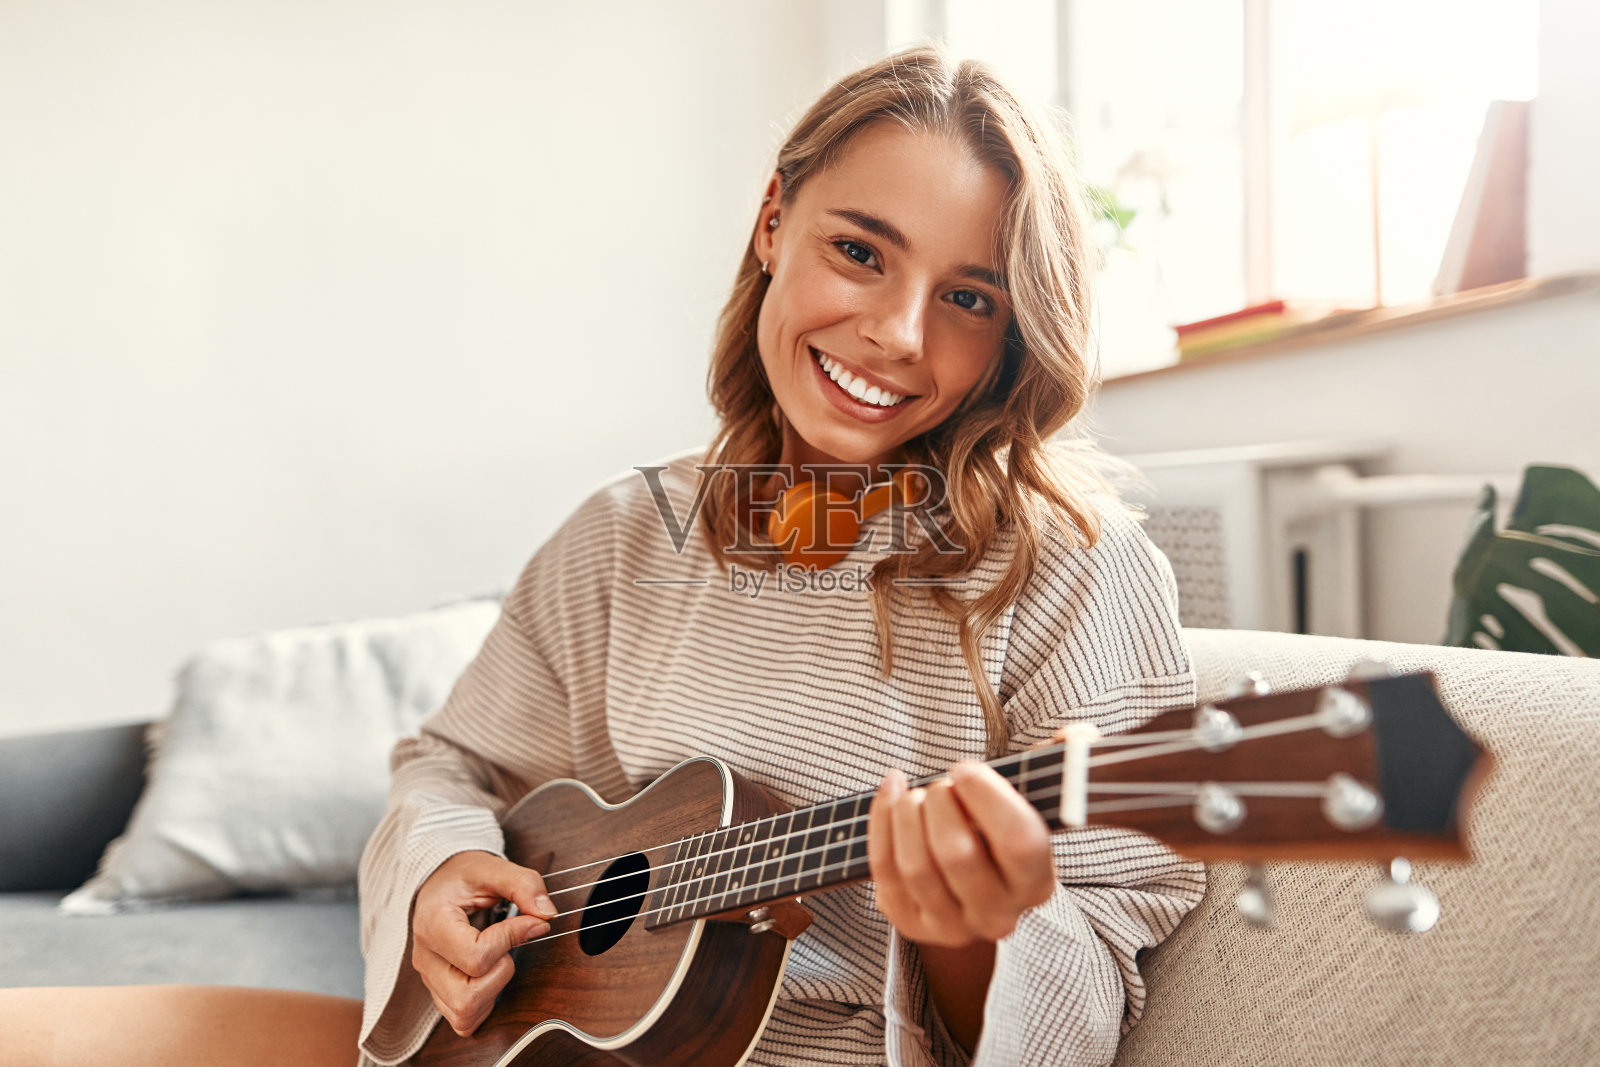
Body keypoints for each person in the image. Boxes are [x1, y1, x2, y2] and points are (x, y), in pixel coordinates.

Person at [0, 43, 1202, 1067]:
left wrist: (971, 935)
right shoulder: (630, 532)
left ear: (1014, 337)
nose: (895, 331)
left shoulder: (1075, 570)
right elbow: (451, 759)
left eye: (971, 298)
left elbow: (1083, 975)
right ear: (773, 222)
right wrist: (441, 870)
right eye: (860, 252)